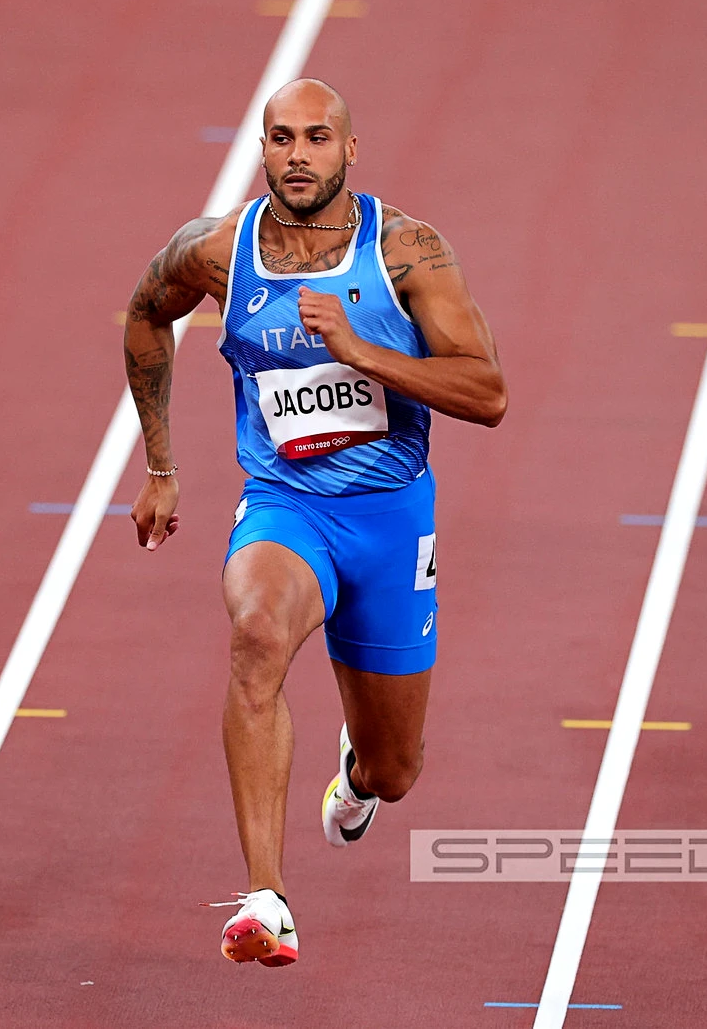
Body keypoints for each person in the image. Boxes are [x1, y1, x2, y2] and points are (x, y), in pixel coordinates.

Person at [123, 78, 505, 964]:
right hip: (285, 508)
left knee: (396, 770)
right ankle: (266, 897)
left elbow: (487, 394)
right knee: (255, 633)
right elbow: (145, 313)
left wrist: (363, 351)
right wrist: (161, 465)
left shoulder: (407, 251)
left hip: (389, 522)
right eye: (282, 138)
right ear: (261, 147)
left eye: (317, 138)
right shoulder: (218, 250)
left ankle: (356, 775)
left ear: (350, 150)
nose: (298, 155)